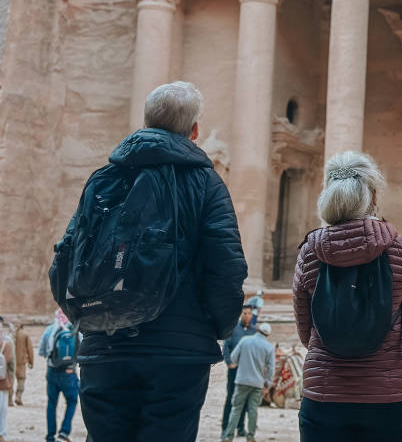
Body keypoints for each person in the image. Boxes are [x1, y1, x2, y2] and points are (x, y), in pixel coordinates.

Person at [74, 81, 248, 442]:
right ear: (195, 130)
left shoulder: (104, 178)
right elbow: (226, 267)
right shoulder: (207, 184)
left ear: (146, 120)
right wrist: (217, 327)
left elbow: (73, 252)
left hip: (105, 341)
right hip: (178, 351)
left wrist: (84, 317)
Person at [293, 151, 402, 442]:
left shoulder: (309, 253)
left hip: (324, 392)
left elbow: (305, 331)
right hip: (389, 397)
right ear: (374, 196)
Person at [222, 322, 275, 442]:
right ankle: (250, 436)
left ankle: (228, 436)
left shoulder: (245, 340)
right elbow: (271, 369)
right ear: (268, 334)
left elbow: (234, 357)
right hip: (257, 383)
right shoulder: (269, 347)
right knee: (253, 410)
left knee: (236, 409)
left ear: (258, 330)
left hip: (241, 381)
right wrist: (267, 384)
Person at [38, 309, 80, 442]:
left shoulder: (50, 330)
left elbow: (42, 351)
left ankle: (50, 436)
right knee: (72, 402)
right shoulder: (75, 330)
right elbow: (81, 350)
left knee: (51, 404)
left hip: (52, 372)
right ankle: (64, 433)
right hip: (69, 373)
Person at [222, 305, 258, 437]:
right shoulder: (233, 330)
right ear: (241, 314)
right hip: (234, 371)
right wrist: (229, 362)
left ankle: (241, 428)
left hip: (247, 372)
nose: (247, 316)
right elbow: (226, 347)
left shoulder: (254, 331)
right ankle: (225, 428)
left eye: (249, 314)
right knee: (231, 399)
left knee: (245, 400)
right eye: (245, 313)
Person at [13, 320, 33, 406]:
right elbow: (30, 349)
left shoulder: (10, 334)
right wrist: (31, 361)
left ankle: (9, 399)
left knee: (9, 379)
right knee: (21, 379)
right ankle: (18, 396)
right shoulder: (25, 334)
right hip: (21, 362)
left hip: (10, 361)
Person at [0, 317, 12, 441]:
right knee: (2, 410)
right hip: (3, 382)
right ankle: (1, 434)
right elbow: (10, 364)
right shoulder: (7, 343)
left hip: (3, 382)